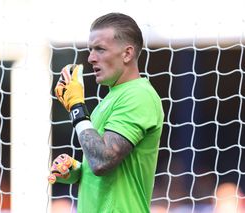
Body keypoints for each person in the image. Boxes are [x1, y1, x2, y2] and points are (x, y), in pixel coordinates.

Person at [49, 12, 164, 213]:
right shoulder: (111, 98)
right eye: (90, 50)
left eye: (100, 49)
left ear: (127, 54)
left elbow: (103, 161)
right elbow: (101, 165)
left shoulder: (138, 95)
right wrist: (75, 170)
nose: (91, 58)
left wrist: (77, 107)